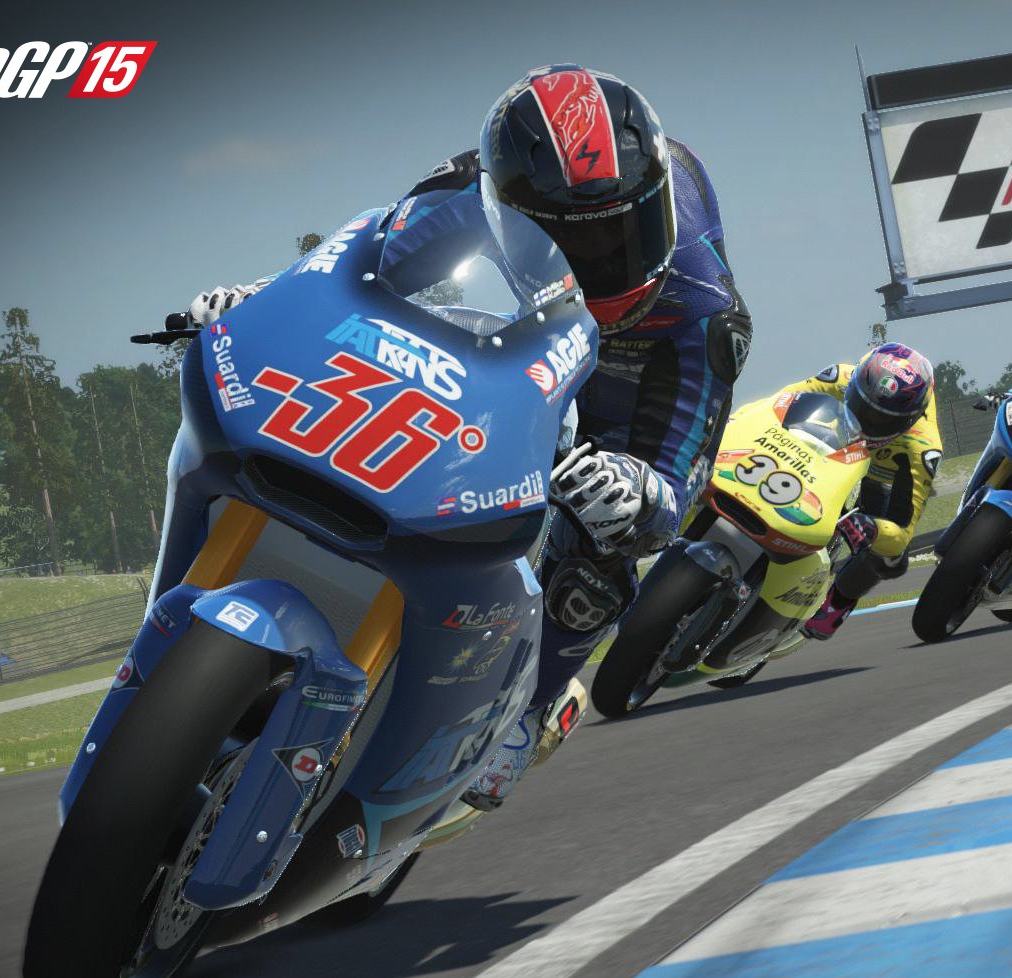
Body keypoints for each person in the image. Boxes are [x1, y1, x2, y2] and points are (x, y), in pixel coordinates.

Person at [185, 64, 750, 812]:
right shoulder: (472, 188)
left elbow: (677, 482)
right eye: (559, 239)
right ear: (505, 200)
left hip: (628, 395)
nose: (594, 264)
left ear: (658, 212)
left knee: (598, 548)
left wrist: (643, 491)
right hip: (512, 349)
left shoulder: (705, 310)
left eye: (618, 234)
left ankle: (529, 714)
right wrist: (267, 301)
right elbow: (356, 271)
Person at [781, 343, 942, 641]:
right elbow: (776, 406)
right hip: (828, 442)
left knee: (891, 560)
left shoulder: (922, 448)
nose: (866, 422)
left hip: (883, 469)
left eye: (882, 418)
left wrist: (873, 529)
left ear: (910, 420)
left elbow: (902, 533)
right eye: (860, 404)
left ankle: (838, 602)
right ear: (854, 383)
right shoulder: (840, 378)